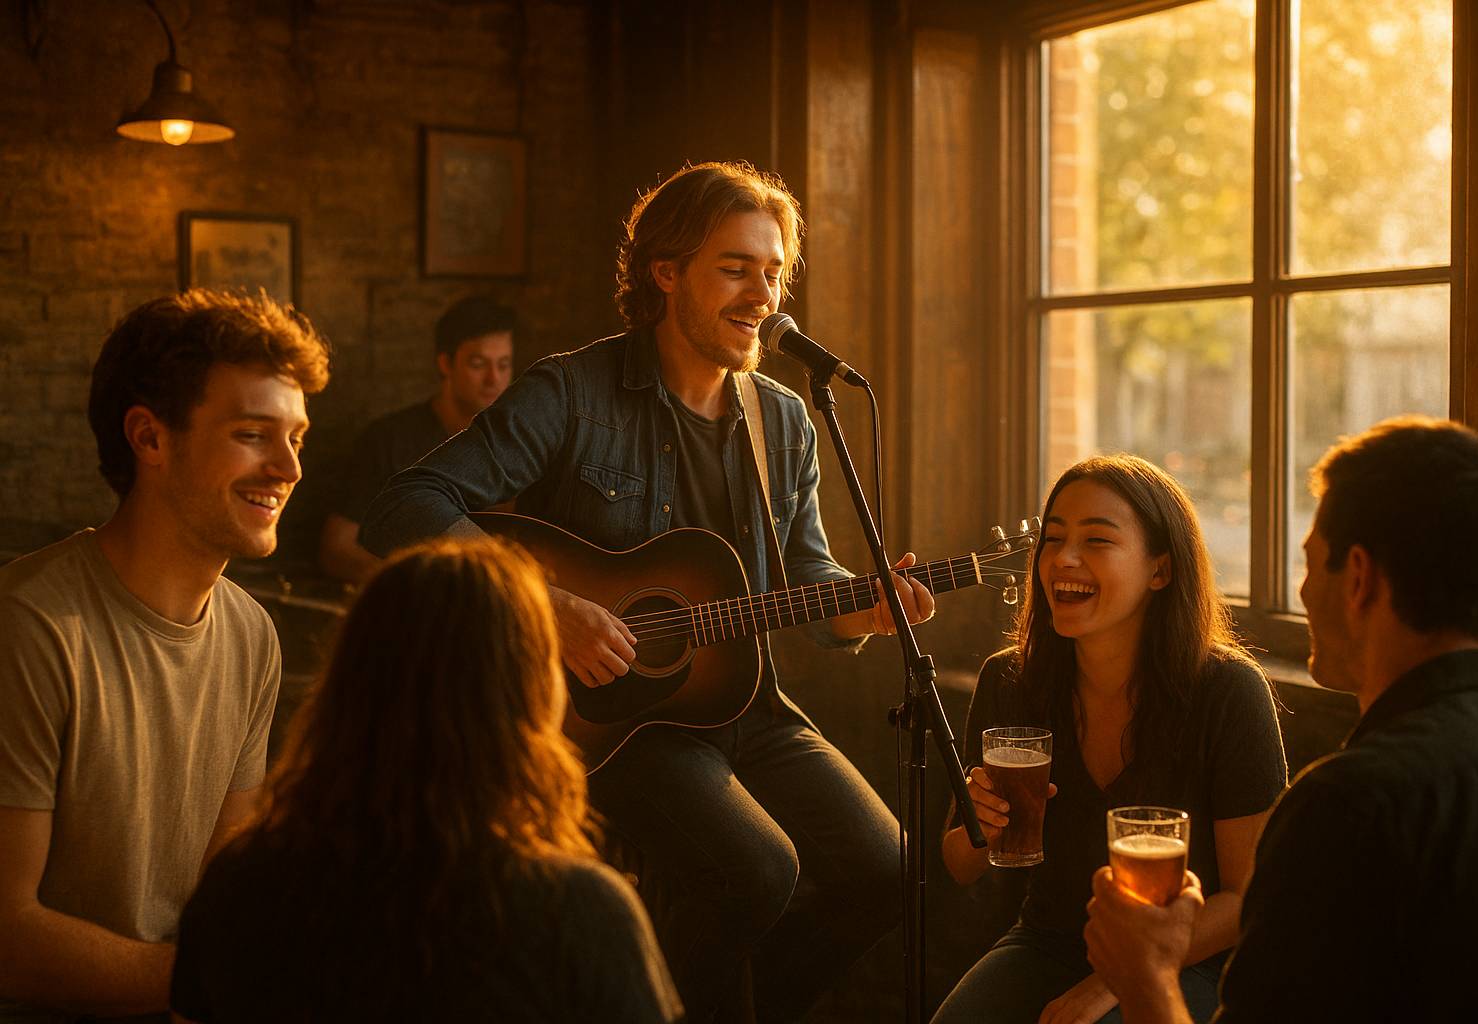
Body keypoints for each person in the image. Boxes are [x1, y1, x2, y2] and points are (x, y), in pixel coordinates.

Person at [360, 160, 931, 1022]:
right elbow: (404, 506)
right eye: (735, 268)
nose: (762, 295)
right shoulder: (573, 393)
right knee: (755, 869)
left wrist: (863, 608)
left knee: (889, 871)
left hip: (747, 705)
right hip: (610, 722)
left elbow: (804, 580)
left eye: (773, 271)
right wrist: (548, 607)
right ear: (665, 272)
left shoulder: (783, 419)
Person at [1083, 416, 1478, 1024]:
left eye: (1310, 561)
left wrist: (1144, 976)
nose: (1300, 591)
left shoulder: (1346, 805)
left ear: (1358, 577)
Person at [168, 537, 683, 1023]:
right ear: (524, 699)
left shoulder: (238, 887)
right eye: (546, 657)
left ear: (348, 683)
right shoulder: (581, 914)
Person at [0, 290, 329, 1022]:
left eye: (297, 438)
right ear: (149, 438)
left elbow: (224, 893)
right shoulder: (30, 625)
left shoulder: (251, 636)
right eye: (253, 433)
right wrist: (209, 987)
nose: (289, 468)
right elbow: (7, 936)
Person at [933, 455, 1286, 1024]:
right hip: (1048, 941)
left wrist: (1117, 982)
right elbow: (959, 863)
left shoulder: (1228, 691)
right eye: (1053, 539)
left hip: (1191, 958)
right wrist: (983, 824)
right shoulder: (1010, 680)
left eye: (1097, 540)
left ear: (1160, 570)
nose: (1064, 559)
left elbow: (1249, 899)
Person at [318, 294, 516, 582]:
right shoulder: (389, 439)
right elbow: (337, 549)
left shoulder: (518, 445)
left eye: (504, 364)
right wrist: (415, 589)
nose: (494, 379)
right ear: (446, 364)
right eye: (478, 364)